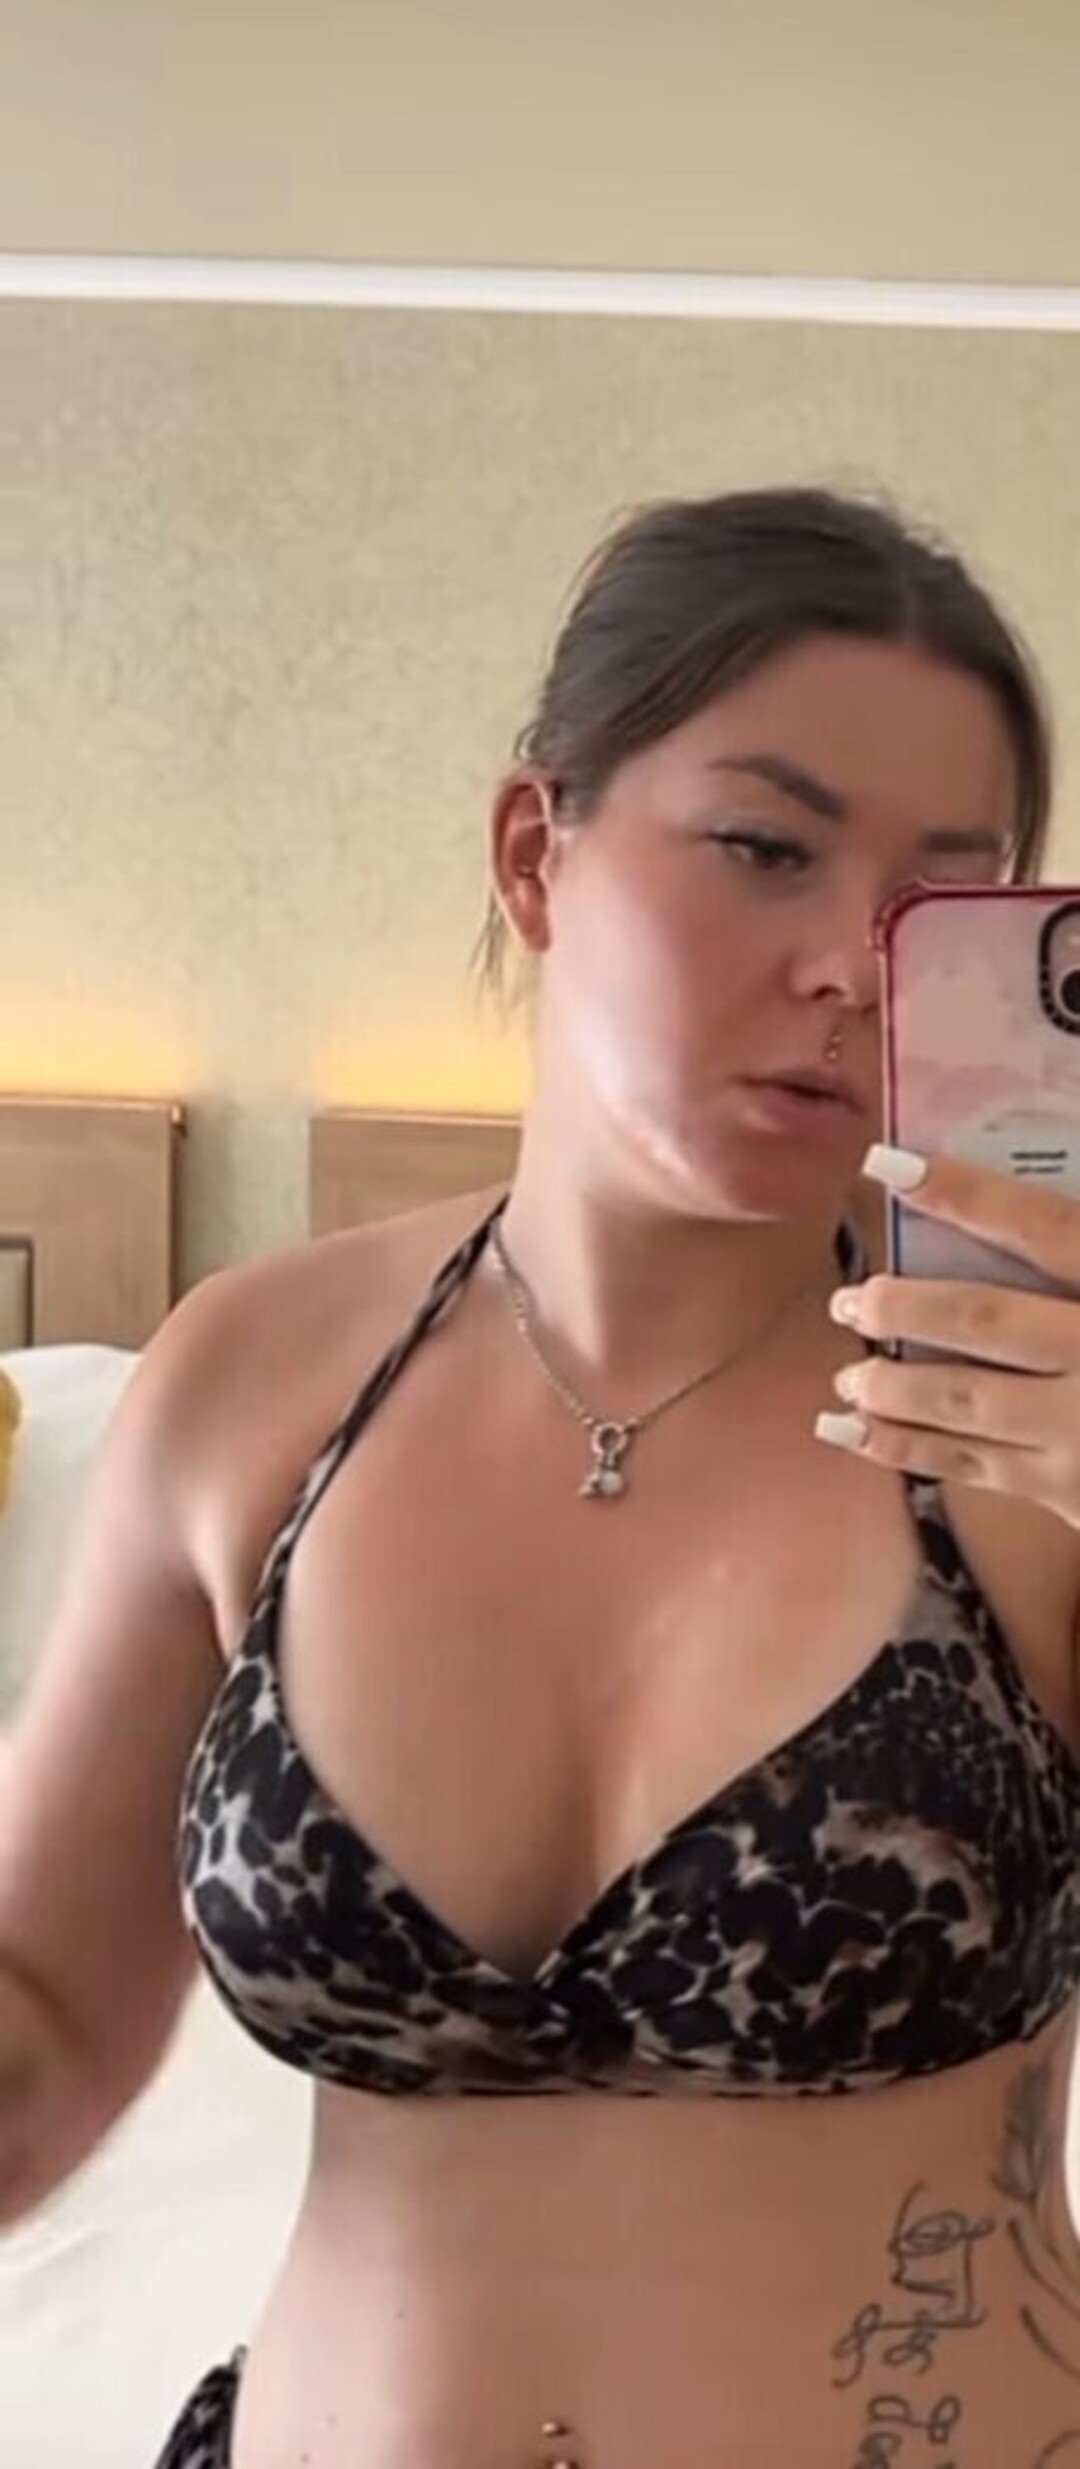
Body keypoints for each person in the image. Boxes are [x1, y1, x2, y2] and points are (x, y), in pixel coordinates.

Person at [2, 485, 1078, 2469]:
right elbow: (46, 2019)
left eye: (935, 902)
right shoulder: (252, 1385)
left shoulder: (1028, 1418)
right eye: (766, 846)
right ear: (535, 853)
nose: (849, 966)